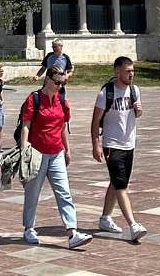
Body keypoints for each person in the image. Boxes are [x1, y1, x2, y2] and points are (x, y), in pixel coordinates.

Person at [19, 65, 92, 250]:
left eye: (63, 82)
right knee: (33, 193)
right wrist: (24, 148)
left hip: (57, 152)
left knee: (64, 192)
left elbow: (62, 128)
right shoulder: (33, 99)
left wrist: (67, 150)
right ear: (48, 79)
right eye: (58, 82)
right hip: (37, 153)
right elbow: (26, 125)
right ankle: (29, 228)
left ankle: (72, 233)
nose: (60, 85)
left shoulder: (61, 101)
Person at [91, 56, 146, 242]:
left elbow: (136, 115)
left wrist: (139, 110)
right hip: (111, 145)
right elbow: (95, 121)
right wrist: (95, 145)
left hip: (129, 144)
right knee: (121, 186)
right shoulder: (105, 94)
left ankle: (105, 218)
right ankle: (133, 225)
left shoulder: (134, 90)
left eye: (133, 71)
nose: (132, 74)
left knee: (116, 182)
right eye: (128, 71)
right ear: (117, 72)